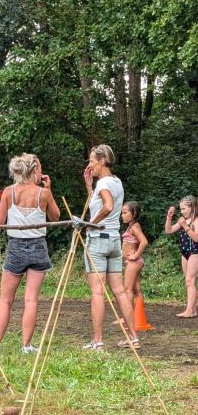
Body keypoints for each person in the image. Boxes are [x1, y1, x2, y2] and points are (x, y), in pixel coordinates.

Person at [0, 153, 60, 356]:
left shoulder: (9, 192)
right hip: (38, 246)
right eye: (39, 167)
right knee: (31, 299)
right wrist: (49, 190)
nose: (41, 171)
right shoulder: (44, 193)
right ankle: (26, 346)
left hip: (15, 247)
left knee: (5, 300)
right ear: (34, 170)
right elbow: (55, 217)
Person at [83, 144, 140, 350]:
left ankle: (98, 341)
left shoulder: (104, 183)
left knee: (98, 292)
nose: (90, 165)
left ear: (102, 161)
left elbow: (107, 206)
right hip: (115, 240)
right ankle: (133, 337)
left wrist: (91, 224)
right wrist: (89, 186)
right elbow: (98, 204)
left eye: (92, 161)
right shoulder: (116, 182)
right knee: (120, 291)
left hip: (98, 240)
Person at [165, 195, 198, 318]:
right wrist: (169, 218)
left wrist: (185, 226)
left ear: (192, 207)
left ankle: (190, 310)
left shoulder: (196, 221)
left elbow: (196, 238)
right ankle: (193, 309)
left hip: (195, 252)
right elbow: (169, 231)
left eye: (184, 208)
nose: (182, 211)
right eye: (180, 209)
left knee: (190, 280)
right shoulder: (183, 220)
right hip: (185, 253)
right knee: (188, 281)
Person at [121, 201, 149, 308]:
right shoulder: (131, 226)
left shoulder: (134, 227)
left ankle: (127, 315)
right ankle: (138, 315)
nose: (122, 215)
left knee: (127, 289)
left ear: (134, 214)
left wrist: (136, 255)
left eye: (125, 213)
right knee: (136, 289)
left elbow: (144, 242)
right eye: (122, 213)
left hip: (134, 262)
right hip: (132, 262)